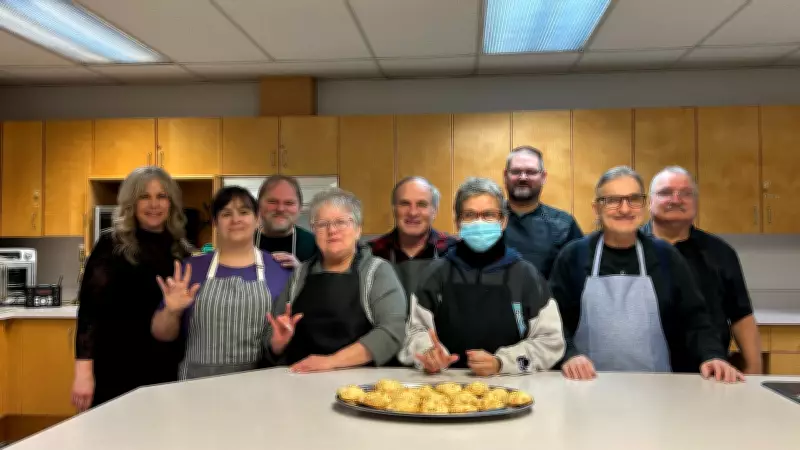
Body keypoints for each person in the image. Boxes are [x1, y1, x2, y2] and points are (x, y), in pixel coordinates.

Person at [548, 166, 744, 383]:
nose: (624, 209)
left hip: (657, 390)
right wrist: (569, 355)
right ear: (596, 208)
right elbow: (554, 323)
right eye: (613, 200)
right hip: (587, 385)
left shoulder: (665, 256)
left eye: (633, 199)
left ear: (644, 205)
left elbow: (695, 320)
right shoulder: (574, 256)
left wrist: (712, 356)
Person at [398, 177, 565, 376]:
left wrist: (502, 362)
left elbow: (550, 342)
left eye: (488, 215)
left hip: (511, 384)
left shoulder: (526, 276)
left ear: (503, 221)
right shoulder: (435, 274)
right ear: (458, 222)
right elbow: (414, 332)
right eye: (469, 215)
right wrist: (429, 353)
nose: (479, 222)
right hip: (445, 384)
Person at [71, 167, 193, 411]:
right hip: (117, 362)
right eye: (144, 196)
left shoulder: (181, 249)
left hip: (165, 364)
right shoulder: (111, 245)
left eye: (162, 196)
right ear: (131, 203)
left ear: (172, 203)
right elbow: (89, 313)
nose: (154, 204)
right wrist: (83, 373)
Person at [151, 186, 291, 380]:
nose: (236, 220)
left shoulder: (280, 270)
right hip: (197, 384)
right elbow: (162, 334)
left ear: (257, 219)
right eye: (226, 214)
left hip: (258, 383)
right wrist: (171, 311)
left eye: (244, 212)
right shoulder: (191, 269)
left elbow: (284, 340)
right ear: (216, 222)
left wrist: (280, 343)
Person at [264, 188, 407, 373]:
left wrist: (331, 362)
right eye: (322, 224)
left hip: (359, 386)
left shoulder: (376, 272)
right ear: (314, 231)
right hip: (301, 380)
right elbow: (272, 336)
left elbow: (392, 332)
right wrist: (278, 343)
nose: (332, 230)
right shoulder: (299, 275)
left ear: (358, 229)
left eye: (341, 222)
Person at [642, 166, 762, 373]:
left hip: (707, 372)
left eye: (686, 194)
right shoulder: (627, 249)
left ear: (696, 202)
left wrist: (754, 370)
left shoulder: (720, 253)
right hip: (640, 374)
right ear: (649, 201)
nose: (676, 200)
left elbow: (741, 316)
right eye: (665, 193)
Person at [369, 176, 458, 299]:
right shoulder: (371, 253)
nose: (413, 212)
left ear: (434, 211)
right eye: (405, 204)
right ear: (394, 209)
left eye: (422, 204)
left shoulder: (454, 250)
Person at [503, 146, 583, 279]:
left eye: (531, 172)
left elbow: (577, 274)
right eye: (516, 171)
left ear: (543, 177)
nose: (523, 177)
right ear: (505, 176)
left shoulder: (564, 225)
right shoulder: (488, 220)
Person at [254, 175, 318, 268]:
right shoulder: (241, 243)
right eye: (272, 202)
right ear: (258, 205)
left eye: (289, 203)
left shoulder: (315, 245)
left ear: (299, 208)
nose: (280, 209)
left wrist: (301, 273)